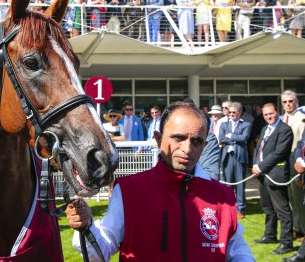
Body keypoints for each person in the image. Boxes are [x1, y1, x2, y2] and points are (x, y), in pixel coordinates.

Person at [66, 101, 254, 261]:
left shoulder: (223, 195)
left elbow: (238, 251)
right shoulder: (129, 190)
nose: (187, 149)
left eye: (196, 141)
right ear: (157, 138)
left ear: (204, 145)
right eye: (178, 138)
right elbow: (102, 249)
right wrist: (85, 226)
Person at [252, 103, 294, 255]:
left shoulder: (285, 130)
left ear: (277, 112)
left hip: (275, 174)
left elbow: (279, 153)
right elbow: (259, 149)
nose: (269, 116)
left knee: (282, 210)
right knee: (267, 207)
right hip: (263, 174)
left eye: (271, 113)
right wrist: (255, 164)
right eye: (265, 115)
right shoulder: (265, 129)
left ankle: (286, 243)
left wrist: (261, 166)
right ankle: (270, 235)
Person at [281, 90, 305, 245]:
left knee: (298, 198)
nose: (288, 104)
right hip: (283, 161)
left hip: (296, 159)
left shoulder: (302, 118)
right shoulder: (282, 119)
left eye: (291, 101)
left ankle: (302, 229)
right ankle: (296, 226)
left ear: (296, 102)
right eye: (285, 102)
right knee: (289, 196)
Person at [219, 102, 251, 218]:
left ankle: (240, 208)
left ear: (240, 113)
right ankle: (229, 206)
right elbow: (221, 139)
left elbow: (244, 137)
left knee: (240, 183)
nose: (231, 114)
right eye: (230, 112)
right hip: (227, 156)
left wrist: (230, 136)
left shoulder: (246, 125)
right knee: (228, 183)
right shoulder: (223, 124)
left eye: (234, 112)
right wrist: (235, 138)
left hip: (239, 157)